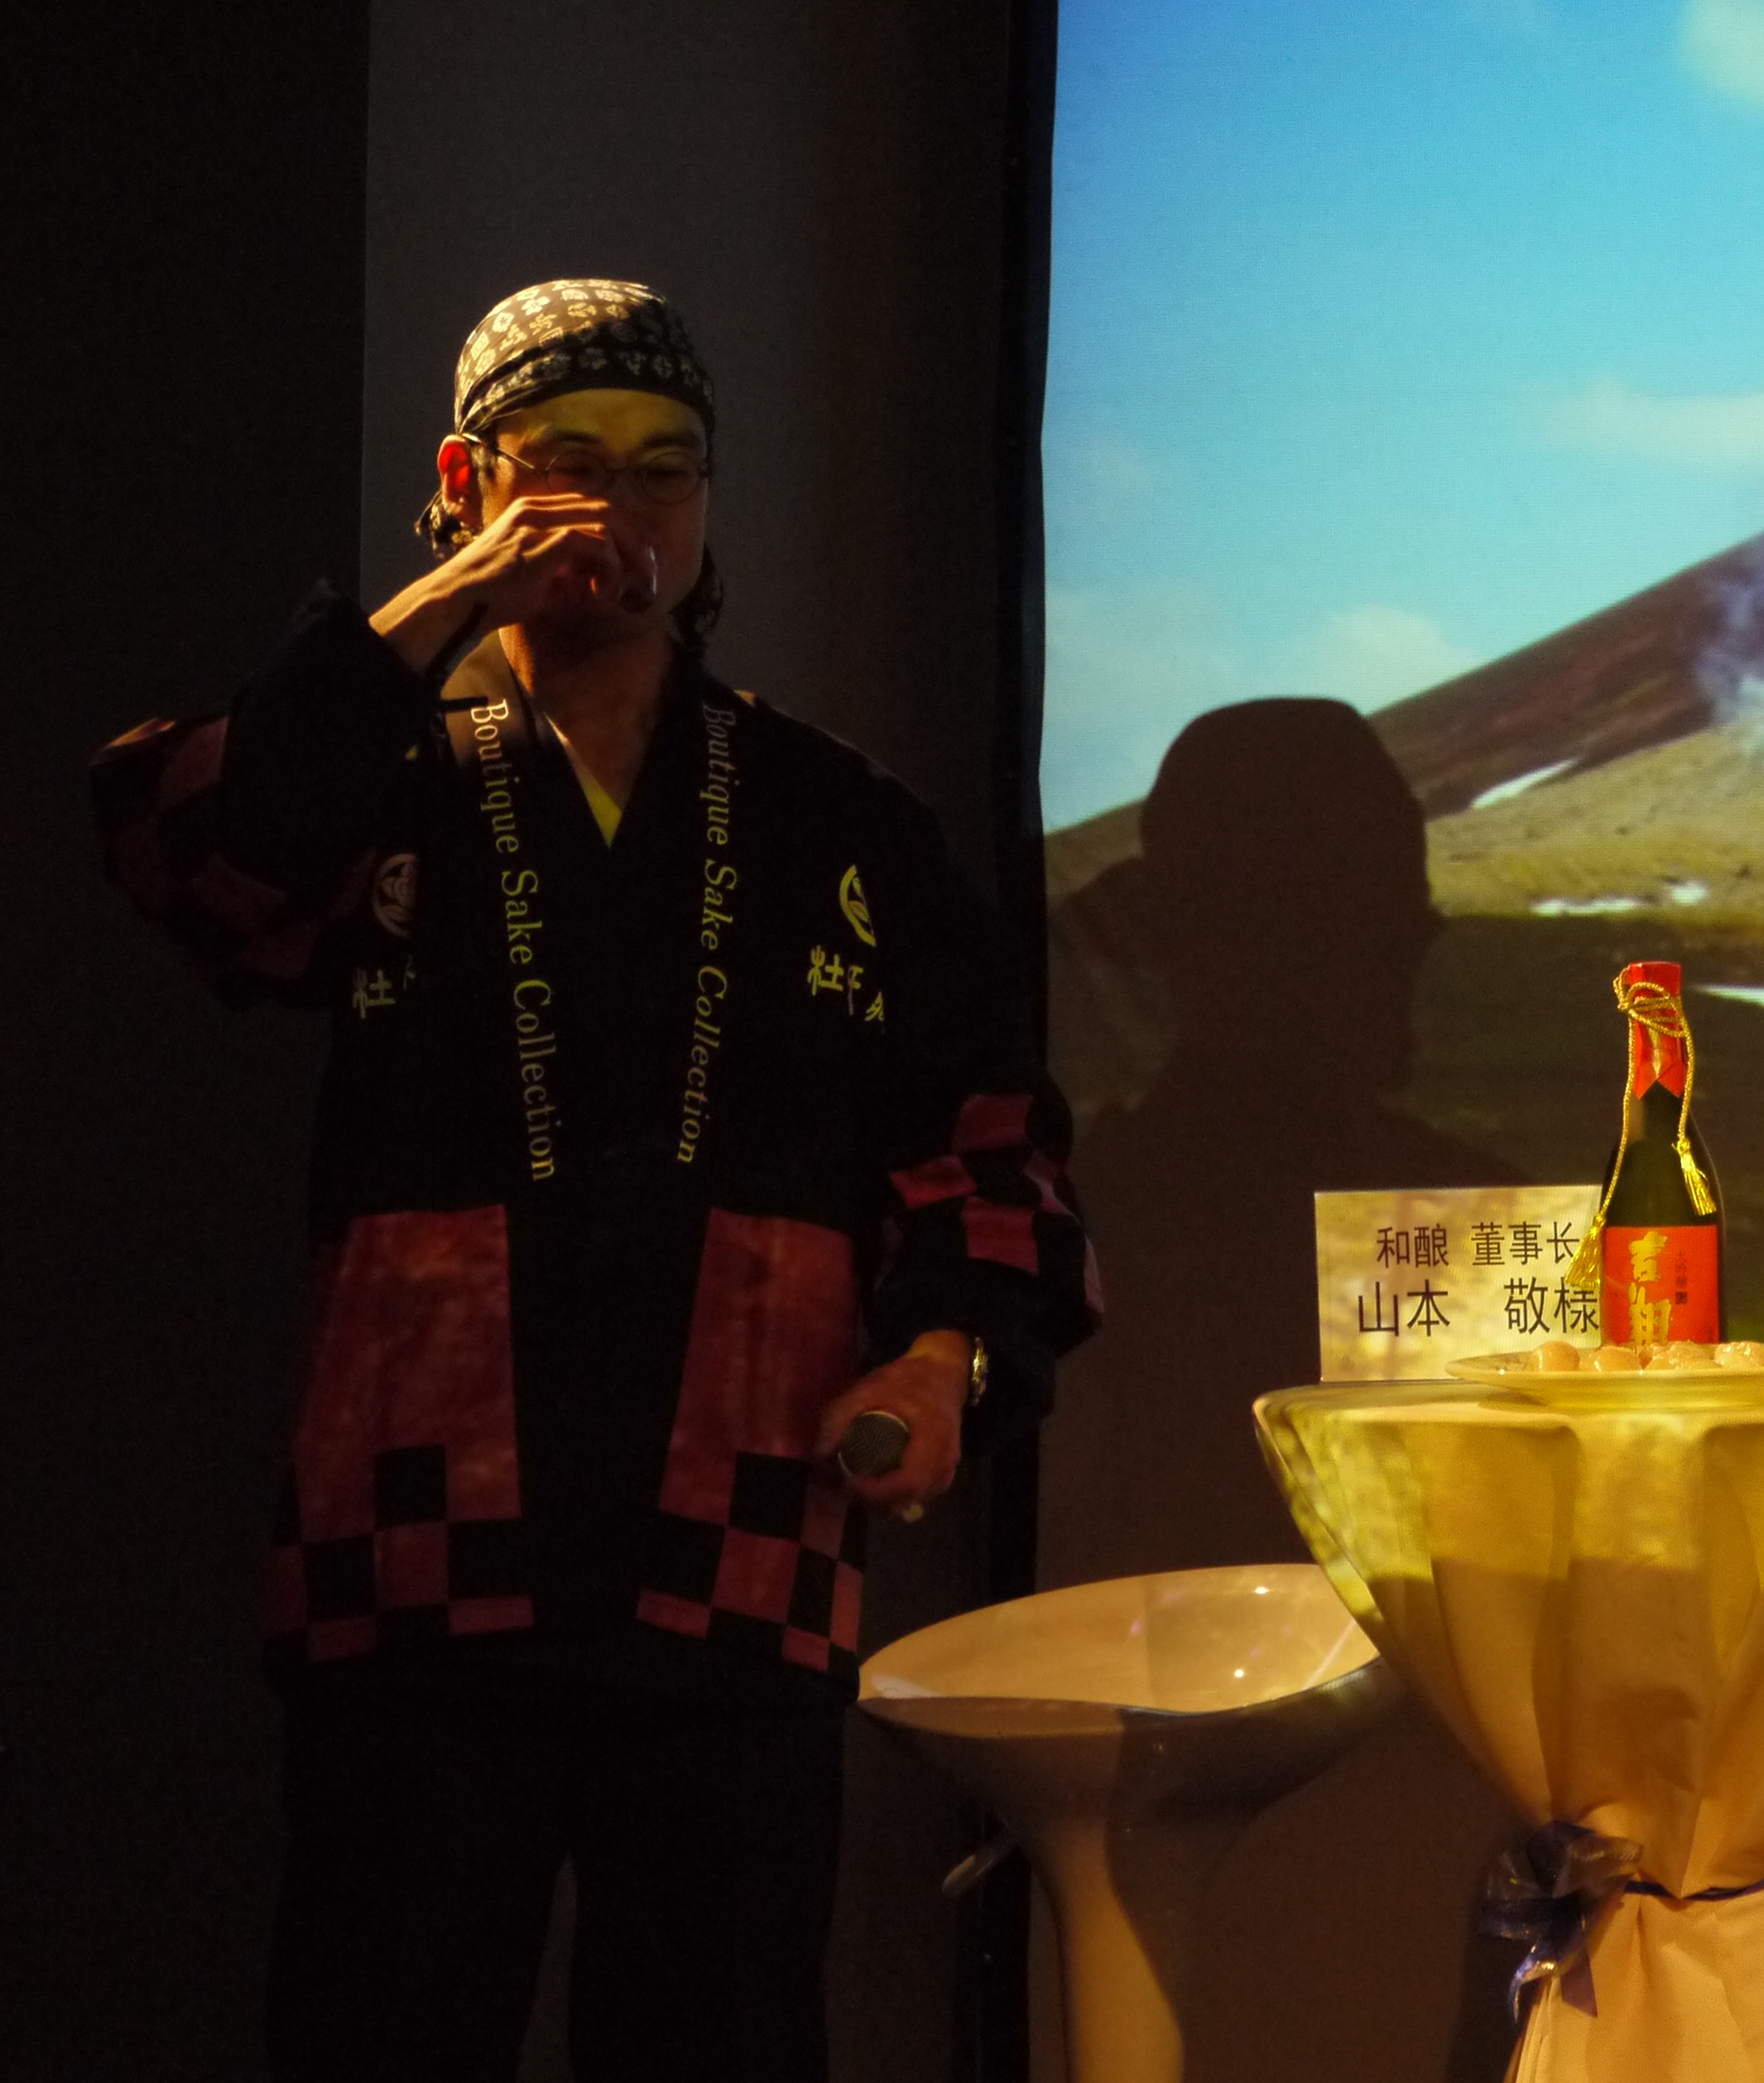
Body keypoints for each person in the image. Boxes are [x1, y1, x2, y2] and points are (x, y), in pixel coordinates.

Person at [89, 279, 1098, 2083]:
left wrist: (947, 1352)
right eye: (566, 461)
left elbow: (987, 1128)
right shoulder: (371, 778)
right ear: (466, 479)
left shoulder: (838, 815)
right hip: (418, 1550)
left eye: (664, 467)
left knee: (721, 2042)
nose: (618, 507)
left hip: (738, 1543)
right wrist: (440, 609)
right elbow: (200, 863)